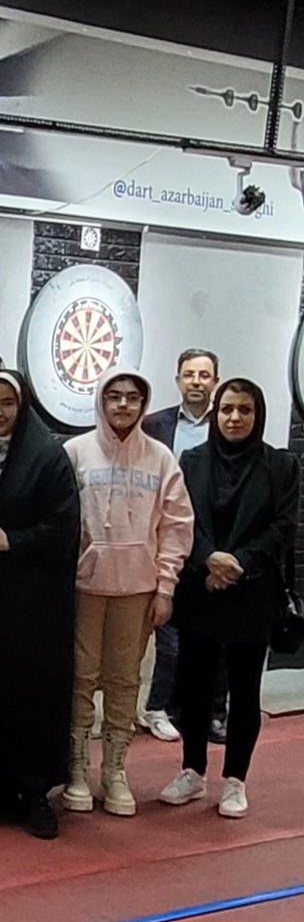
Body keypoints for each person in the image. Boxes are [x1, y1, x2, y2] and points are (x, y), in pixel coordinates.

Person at [159, 378, 293, 820]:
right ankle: (192, 770)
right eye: (227, 409)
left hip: (251, 591)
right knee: (193, 687)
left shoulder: (281, 466)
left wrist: (238, 563)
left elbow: (282, 528)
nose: (235, 418)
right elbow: (181, 520)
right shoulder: (192, 461)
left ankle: (235, 779)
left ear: (258, 415)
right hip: (201, 587)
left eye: (245, 410)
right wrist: (208, 558)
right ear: (215, 414)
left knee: (244, 690)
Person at [61, 372, 193, 817]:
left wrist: (165, 586)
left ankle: (114, 772)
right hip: (83, 588)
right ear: (101, 401)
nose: (122, 405)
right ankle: (77, 769)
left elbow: (176, 527)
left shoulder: (160, 458)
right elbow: (61, 521)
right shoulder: (74, 452)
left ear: (143, 404)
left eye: (132, 398)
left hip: (137, 588)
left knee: (124, 682)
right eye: (114, 397)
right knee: (80, 679)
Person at [0, 370, 78, 839]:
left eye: (7, 403)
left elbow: (65, 526)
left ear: (22, 405)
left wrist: (13, 540)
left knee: (27, 693)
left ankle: (32, 791)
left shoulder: (47, 458)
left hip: (31, 603)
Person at [139, 348, 220, 744]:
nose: (196, 382)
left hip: (209, 545)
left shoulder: (226, 423)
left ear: (215, 382)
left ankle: (206, 712)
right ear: (178, 380)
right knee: (167, 640)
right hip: (162, 541)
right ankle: (157, 707)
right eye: (189, 375)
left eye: (204, 375)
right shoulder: (155, 426)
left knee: (209, 639)